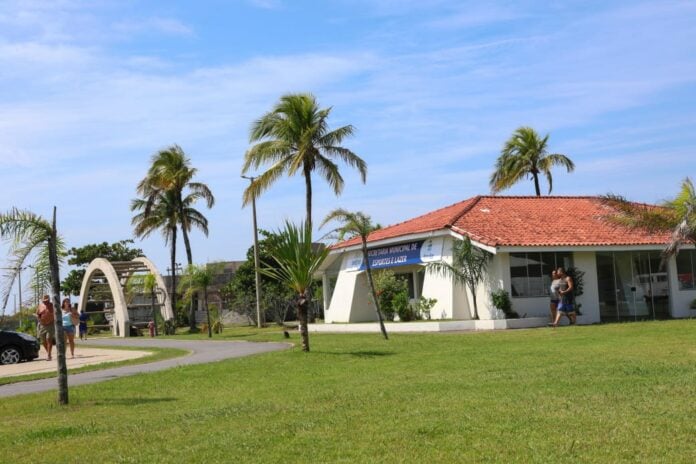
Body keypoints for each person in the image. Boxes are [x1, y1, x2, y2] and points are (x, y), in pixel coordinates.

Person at [36, 295, 55, 361]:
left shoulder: (53, 305)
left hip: (50, 325)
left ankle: (49, 355)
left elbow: (56, 313)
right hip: (42, 325)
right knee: (43, 341)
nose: (45, 302)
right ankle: (49, 353)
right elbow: (38, 314)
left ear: (49, 300)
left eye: (46, 300)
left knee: (48, 339)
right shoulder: (40, 306)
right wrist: (39, 319)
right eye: (44, 301)